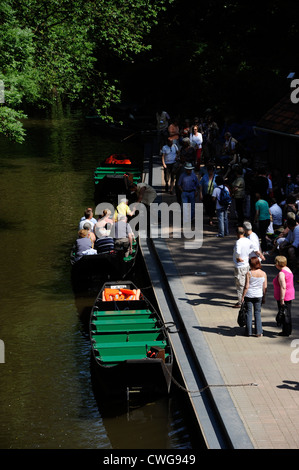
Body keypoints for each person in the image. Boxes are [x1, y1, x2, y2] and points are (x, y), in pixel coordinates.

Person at [233, 226, 264, 308]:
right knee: (246, 282)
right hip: (246, 265)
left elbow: (237, 251)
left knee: (240, 284)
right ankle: (245, 298)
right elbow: (255, 248)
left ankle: (241, 302)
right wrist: (249, 254)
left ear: (237, 233)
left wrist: (238, 257)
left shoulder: (239, 242)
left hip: (239, 266)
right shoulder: (248, 240)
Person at [241, 257, 267, 337]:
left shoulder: (249, 273)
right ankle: (258, 332)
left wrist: (243, 296)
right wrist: (264, 297)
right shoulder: (263, 273)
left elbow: (246, 286)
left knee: (249, 313)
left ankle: (248, 332)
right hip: (259, 295)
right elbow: (265, 286)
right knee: (257, 313)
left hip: (249, 295)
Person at [273, 255, 295, 336]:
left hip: (284, 296)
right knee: (287, 313)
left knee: (284, 314)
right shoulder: (288, 269)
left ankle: (285, 331)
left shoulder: (282, 273)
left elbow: (283, 286)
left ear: (278, 264)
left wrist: (282, 299)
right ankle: (288, 330)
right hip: (290, 294)